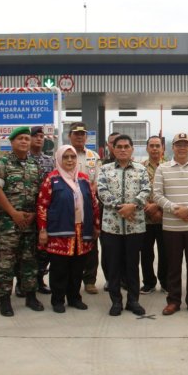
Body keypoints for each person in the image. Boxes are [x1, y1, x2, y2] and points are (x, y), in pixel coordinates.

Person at [36, 145, 99, 314]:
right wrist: (42, 230)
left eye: (72, 157)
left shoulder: (84, 179)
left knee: (77, 269)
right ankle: (58, 300)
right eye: (66, 157)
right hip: (59, 232)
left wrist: (96, 226)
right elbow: (42, 205)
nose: (70, 160)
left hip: (82, 232)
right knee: (59, 269)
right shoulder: (52, 179)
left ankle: (74, 298)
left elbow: (93, 205)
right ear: (59, 159)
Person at [0, 126, 44, 316]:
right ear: (11, 142)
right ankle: (5, 299)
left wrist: (35, 215)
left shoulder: (34, 164)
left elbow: (40, 192)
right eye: (20, 138)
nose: (24, 142)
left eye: (27, 139)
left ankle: (30, 296)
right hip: (7, 223)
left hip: (29, 222)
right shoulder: (2, 162)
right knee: (5, 262)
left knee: (29, 261)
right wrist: (13, 213)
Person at [153, 132, 188, 316]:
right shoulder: (162, 168)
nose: (182, 147)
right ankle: (173, 301)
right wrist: (176, 209)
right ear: (173, 147)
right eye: (179, 144)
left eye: (186, 144)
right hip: (171, 226)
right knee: (173, 265)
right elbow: (157, 195)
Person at [97, 134, 151, 316]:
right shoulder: (104, 170)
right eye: (118, 146)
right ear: (113, 149)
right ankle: (116, 301)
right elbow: (102, 192)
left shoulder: (140, 170)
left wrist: (133, 205)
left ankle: (133, 300)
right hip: (111, 227)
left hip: (135, 227)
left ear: (132, 149)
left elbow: (146, 190)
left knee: (132, 265)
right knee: (113, 265)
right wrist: (122, 208)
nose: (122, 149)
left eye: (126, 146)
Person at [68, 122, 104, 295]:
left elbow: (97, 180)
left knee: (91, 242)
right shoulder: (64, 155)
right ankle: (70, 279)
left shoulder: (93, 156)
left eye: (82, 134)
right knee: (70, 241)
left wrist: (89, 193)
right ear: (70, 136)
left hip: (89, 205)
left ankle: (90, 280)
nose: (79, 136)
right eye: (76, 133)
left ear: (86, 137)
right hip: (68, 206)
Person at [28, 126, 55, 296]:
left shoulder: (50, 161)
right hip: (26, 209)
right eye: (35, 136)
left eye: (41, 136)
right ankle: (24, 282)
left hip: (46, 210)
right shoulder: (23, 158)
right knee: (26, 249)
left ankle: (39, 280)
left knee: (43, 249)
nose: (39, 139)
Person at [141, 135, 167, 294]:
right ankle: (149, 282)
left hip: (165, 217)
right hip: (145, 218)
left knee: (166, 253)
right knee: (146, 253)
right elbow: (135, 190)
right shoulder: (139, 167)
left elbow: (172, 191)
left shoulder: (170, 167)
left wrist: (158, 207)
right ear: (147, 148)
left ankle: (165, 282)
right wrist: (148, 207)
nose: (155, 148)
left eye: (158, 145)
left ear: (163, 148)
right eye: (152, 145)